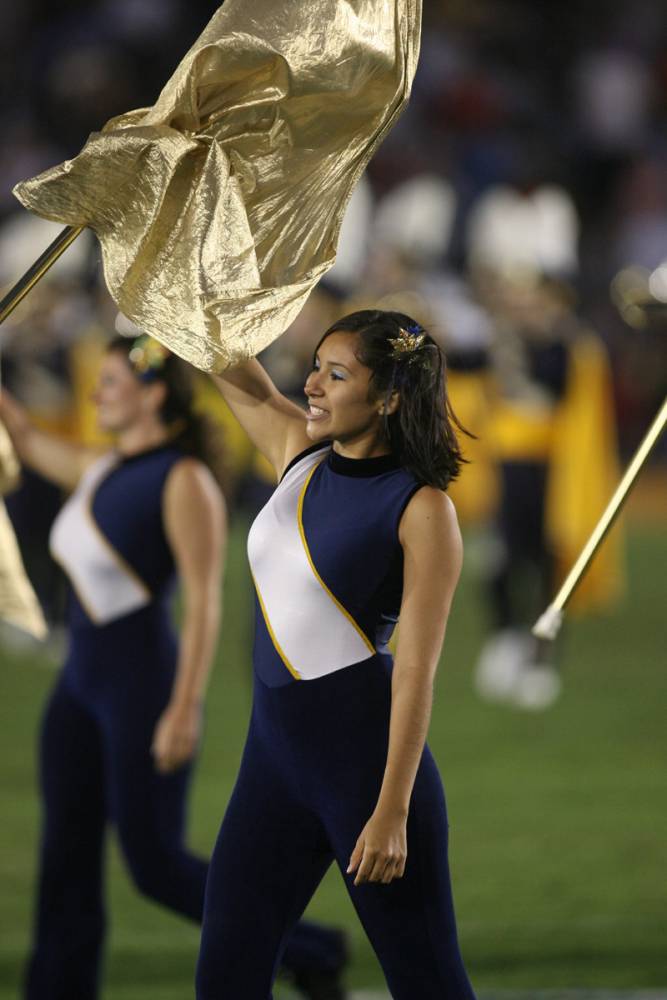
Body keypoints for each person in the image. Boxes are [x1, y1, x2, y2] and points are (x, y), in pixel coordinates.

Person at [0, 334, 348, 1000]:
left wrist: (183, 706)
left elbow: (205, 599)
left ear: (152, 392)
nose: (96, 393)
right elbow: (20, 433)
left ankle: (309, 948)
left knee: (154, 864)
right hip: (77, 687)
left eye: (109, 382)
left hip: (143, 689)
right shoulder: (100, 468)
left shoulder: (183, 478)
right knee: (63, 855)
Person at [196, 310, 477, 999]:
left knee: (428, 984)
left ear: (388, 398)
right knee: (225, 982)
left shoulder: (421, 507)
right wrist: (156, 267)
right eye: (315, 366)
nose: (312, 384)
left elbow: (414, 670)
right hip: (271, 769)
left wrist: (391, 810)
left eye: (336, 373)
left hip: (365, 776)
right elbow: (221, 358)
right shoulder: (298, 448)